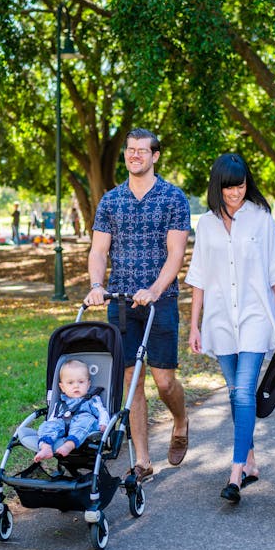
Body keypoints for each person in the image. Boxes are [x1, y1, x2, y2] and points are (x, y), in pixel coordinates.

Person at [84, 128, 191, 482]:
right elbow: (99, 251)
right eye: (130, 150)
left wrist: (157, 288)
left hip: (161, 301)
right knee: (131, 380)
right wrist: (97, 285)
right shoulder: (111, 201)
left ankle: (180, 420)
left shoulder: (174, 198)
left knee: (164, 382)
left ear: (155, 156)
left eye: (142, 151)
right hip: (121, 301)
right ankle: (143, 460)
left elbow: (176, 253)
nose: (134, 156)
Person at [186, 153, 275, 504]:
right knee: (235, 393)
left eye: (242, 186)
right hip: (219, 319)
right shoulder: (206, 224)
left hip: (255, 316)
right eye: (229, 188)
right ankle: (251, 462)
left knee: (245, 392)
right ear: (218, 187)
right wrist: (194, 326)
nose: (236, 193)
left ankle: (234, 473)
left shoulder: (261, 217)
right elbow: (198, 278)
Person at [34, 359, 109, 462]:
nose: (76, 386)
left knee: (86, 419)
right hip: (63, 424)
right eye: (70, 383)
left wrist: (103, 423)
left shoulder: (93, 399)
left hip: (85, 426)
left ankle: (69, 445)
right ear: (62, 387)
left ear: (88, 384)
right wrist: (51, 423)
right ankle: (46, 447)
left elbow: (102, 412)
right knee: (49, 425)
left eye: (81, 382)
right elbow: (53, 416)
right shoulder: (61, 402)